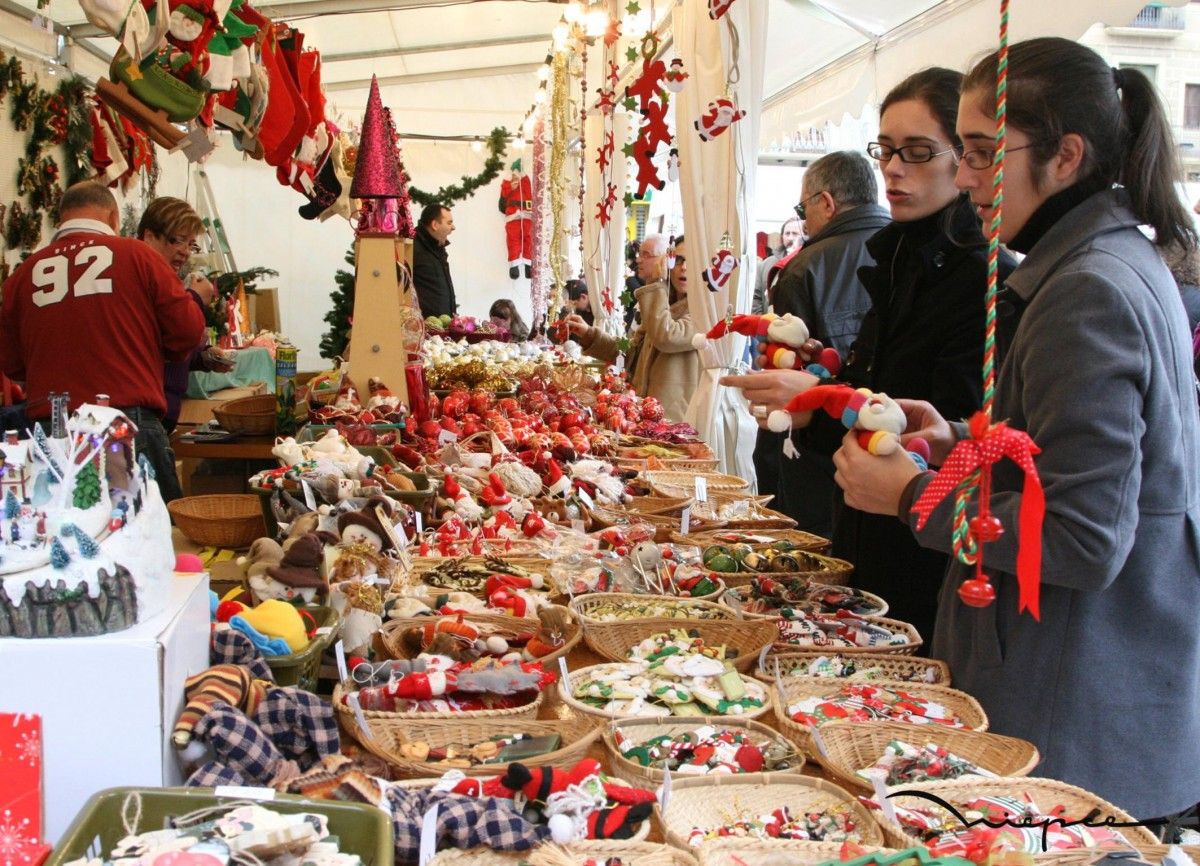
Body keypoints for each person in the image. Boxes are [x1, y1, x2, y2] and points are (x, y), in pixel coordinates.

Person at [833, 39, 1200, 820]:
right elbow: (1069, 455)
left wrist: (913, 500)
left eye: (981, 153)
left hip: (1072, 710)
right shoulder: (1109, 263)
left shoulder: (1088, 290)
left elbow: (1083, 539)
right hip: (1095, 687)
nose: (964, 178)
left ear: (1066, 156)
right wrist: (961, 436)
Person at [723, 68, 1018, 645]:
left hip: (930, 565)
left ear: (966, 158)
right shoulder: (899, 260)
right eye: (885, 150)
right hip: (869, 542)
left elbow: (958, 432)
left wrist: (824, 399)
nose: (893, 168)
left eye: (917, 151)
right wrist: (818, 399)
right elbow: (879, 406)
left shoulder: (986, 281)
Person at [0, 181, 205, 502]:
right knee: (152, 539)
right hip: (127, 422)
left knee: (62, 542)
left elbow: (11, 363)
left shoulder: (22, 276)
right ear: (112, 217)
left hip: (52, 430)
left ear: (61, 218)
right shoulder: (139, 257)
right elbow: (189, 332)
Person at [754, 151, 891, 536]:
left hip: (819, 458)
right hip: (897, 456)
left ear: (826, 203)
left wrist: (770, 468)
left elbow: (786, 382)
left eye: (803, 207)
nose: (802, 218)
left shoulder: (804, 268)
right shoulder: (905, 252)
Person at [568, 235, 698, 422]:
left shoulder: (704, 311)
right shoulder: (663, 303)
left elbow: (667, 337)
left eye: (691, 261)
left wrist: (655, 284)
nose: (683, 267)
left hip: (674, 420)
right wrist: (590, 334)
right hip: (645, 412)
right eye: (678, 260)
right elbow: (631, 351)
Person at [136, 197, 233, 436]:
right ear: (149, 236)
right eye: (178, 240)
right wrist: (196, 299)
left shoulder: (167, 282)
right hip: (145, 417)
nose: (185, 252)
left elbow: (172, 346)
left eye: (191, 245)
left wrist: (203, 357)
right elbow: (163, 341)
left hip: (159, 419)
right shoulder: (139, 282)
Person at [412, 202, 457, 318]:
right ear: (435, 225)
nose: (453, 227)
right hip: (424, 328)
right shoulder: (412, 247)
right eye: (449, 223)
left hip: (441, 327)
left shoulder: (438, 247)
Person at [752, 217, 803, 315]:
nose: (790, 238)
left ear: (804, 236)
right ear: (782, 237)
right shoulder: (766, 264)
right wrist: (761, 322)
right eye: (787, 233)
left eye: (795, 234)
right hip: (768, 325)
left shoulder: (808, 262)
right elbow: (756, 297)